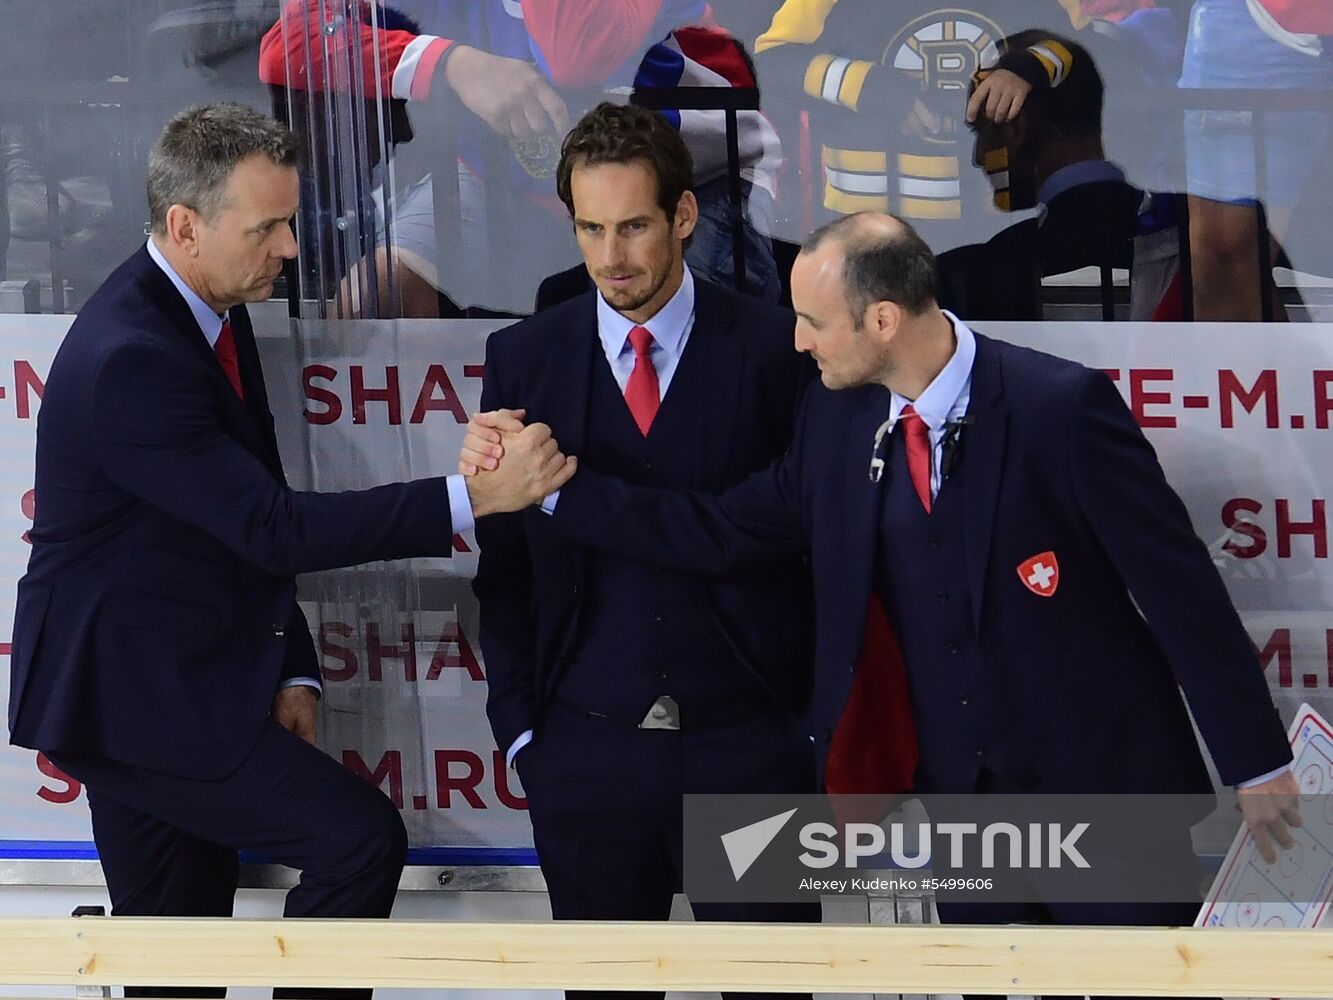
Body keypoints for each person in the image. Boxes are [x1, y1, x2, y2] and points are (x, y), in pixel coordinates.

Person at [464, 212, 1301, 984]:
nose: (797, 342)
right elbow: (715, 529)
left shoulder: (1059, 408)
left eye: (813, 322)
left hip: (1106, 798)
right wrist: (551, 492)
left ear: (883, 320)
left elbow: (1181, 592)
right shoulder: (835, 428)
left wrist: (1256, 761)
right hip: (961, 810)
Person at [6, 103, 571, 999]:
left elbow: (234, 521)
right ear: (186, 226)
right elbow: (271, 526)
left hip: (166, 686)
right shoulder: (134, 358)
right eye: (265, 228)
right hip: (130, 701)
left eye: (290, 221)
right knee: (358, 844)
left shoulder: (209, 305)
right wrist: (474, 498)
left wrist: (292, 669)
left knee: (175, 955)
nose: (290, 249)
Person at [471, 101, 816, 1000]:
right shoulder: (523, 357)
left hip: (751, 752)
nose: (610, 256)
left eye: (631, 226)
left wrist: (803, 735)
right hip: (584, 756)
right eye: (590, 229)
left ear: (684, 216)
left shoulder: (776, 351)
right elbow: (505, 570)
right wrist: (523, 732)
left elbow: (795, 541)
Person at [939, 30, 1177, 321]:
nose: (977, 157)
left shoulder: (979, 274)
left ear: (1016, 127)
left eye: (981, 131)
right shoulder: (1188, 229)